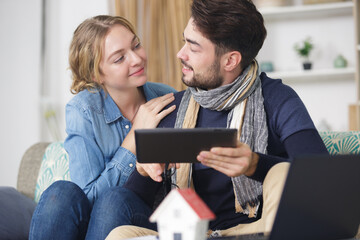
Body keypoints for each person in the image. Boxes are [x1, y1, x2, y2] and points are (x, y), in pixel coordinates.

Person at [105, 0, 329, 239]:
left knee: (282, 173)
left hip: (253, 231)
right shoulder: (172, 108)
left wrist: (255, 164)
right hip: (188, 233)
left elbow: (320, 177)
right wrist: (144, 171)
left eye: (193, 47)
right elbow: (135, 204)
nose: (181, 54)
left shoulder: (277, 99)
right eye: (184, 42)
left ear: (230, 60)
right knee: (121, 234)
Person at [29, 15, 176, 240]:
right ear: (95, 75)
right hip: (95, 220)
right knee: (60, 192)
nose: (137, 59)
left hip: (144, 216)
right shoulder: (83, 110)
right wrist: (135, 136)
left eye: (136, 45)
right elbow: (87, 197)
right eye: (120, 59)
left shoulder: (166, 97)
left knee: (114, 200)